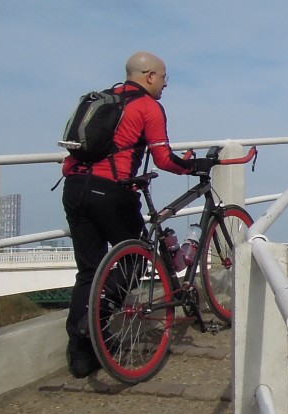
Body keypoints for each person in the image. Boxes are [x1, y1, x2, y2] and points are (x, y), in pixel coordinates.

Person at [60, 52, 215, 378]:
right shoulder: (148, 107)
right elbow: (162, 158)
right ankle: (97, 322)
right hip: (111, 191)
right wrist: (192, 166)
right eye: (163, 78)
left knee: (88, 270)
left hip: (74, 187)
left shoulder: (105, 99)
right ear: (148, 76)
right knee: (134, 260)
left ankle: (80, 355)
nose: (165, 84)